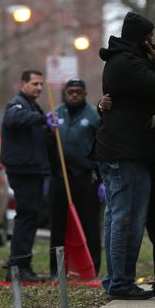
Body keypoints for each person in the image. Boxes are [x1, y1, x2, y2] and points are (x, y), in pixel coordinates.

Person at [96, 11, 155, 300]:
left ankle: (115, 278)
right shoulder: (128, 63)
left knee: (116, 216)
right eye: (150, 39)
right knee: (127, 218)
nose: (153, 43)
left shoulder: (120, 60)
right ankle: (121, 282)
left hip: (117, 149)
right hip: (127, 151)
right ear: (142, 40)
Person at [0, 69, 54, 283]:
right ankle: (18, 265)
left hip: (34, 170)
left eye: (41, 84)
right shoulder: (17, 104)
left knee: (31, 217)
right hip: (21, 170)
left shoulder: (34, 106)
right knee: (25, 216)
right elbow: (13, 119)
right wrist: (42, 119)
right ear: (23, 83)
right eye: (35, 84)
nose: (39, 88)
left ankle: (23, 265)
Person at [48, 78, 101, 277]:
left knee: (89, 225)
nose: (74, 95)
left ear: (85, 93)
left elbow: (100, 148)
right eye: (71, 92)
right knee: (58, 225)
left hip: (86, 178)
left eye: (78, 91)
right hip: (60, 176)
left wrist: (101, 179)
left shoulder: (94, 116)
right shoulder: (55, 114)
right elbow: (48, 145)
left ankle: (92, 268)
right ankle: (57, 269)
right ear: (65, 94)